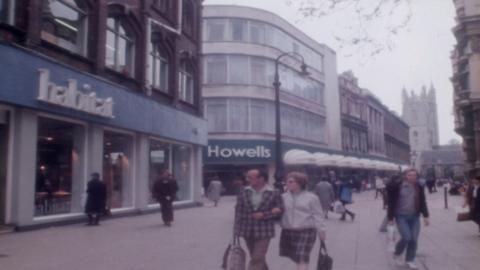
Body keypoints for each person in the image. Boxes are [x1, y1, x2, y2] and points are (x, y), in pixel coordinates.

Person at [234, 168, 283, 270]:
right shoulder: (244, 191)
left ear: (261, 179)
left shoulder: (274, 192)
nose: (247, 179)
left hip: (264, 231)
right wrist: (236, 229)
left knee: (257, 257)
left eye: (250, 177)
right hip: (247, 229)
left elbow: (280, 209)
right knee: (256, 257)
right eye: (247, 177)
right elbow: (238, 210)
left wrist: (265, 214)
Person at [280, 172, 326, 270]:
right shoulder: (283, 197)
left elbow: (318, 215)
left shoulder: (312, 198)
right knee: (296, 257)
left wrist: (321, 231)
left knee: (302, 257)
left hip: (306, 231)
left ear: (300, 183)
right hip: (288, 231)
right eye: (287, 181)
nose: (287, 184)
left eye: (291, 181)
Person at [387, 168, 429, 269]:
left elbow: (422, 201)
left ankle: (410, 260)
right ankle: (397, 253)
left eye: (414, 175)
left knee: (414, 239)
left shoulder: (419, 186)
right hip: (401, 216)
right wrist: (390, 217)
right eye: (410, 175)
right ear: (405, 176)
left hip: (414, 216)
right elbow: (391, 202)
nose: (412, 177)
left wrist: (426, 215)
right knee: (406, 237)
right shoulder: (397, 186)